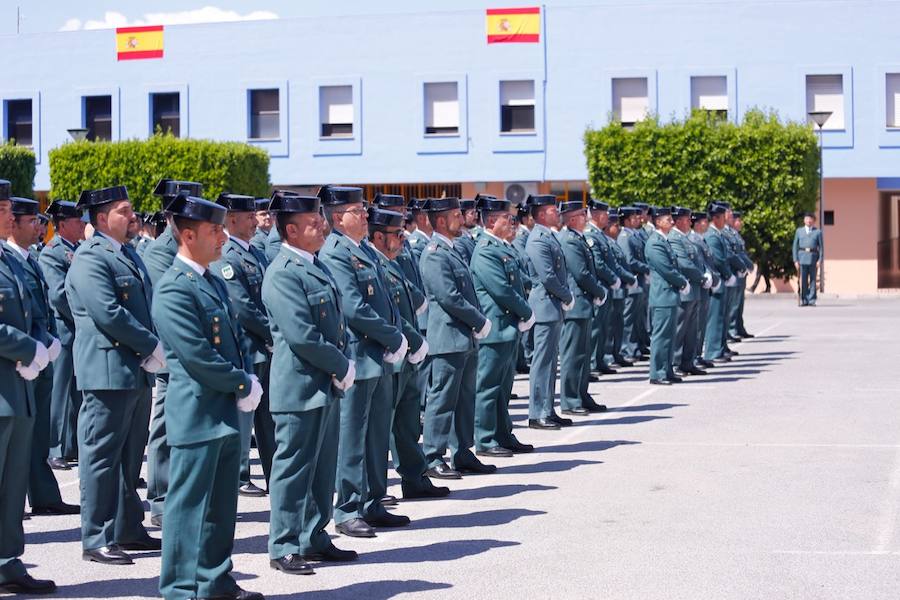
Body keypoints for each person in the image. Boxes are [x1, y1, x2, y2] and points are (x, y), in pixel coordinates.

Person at [151, 192, 264, 600]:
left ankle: (214, 579)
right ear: (187, 235)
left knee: (220, 508)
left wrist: (244, 378)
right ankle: (180, 589)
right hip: (198, 412)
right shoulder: (174, 289)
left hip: (223, 412)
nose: (222, 238)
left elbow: (232, 342)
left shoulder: (211, 280)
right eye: (214, 231)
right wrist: (241, 383)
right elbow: (198, 356)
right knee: (186, 509)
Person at [263, 191, 358, 573]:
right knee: (293, 470)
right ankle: (284, 544)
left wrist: (340, 363)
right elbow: (303, 336)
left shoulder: (314, 264)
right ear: (291, 230)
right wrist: (341, 364)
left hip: (323, 384)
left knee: (320, 468)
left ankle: (313, 536)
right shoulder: (283, 273)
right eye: (313, 222)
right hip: (299, 386)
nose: (322, 225)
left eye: (320, 219)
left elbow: (334, 322)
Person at [67, 185, 162, 564]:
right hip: (107, 371)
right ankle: (97, 536)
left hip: (132, 371)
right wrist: (152, 346)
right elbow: (109, 314)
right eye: (125, 211)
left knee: (127, 458)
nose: (133, 215)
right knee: (101, 457)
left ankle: (127, 528)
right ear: (103, 218)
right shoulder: (91, 257)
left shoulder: (128, 254)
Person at [317, 185, 410, 538]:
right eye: (358, 211)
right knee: (352, 436)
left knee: (375, 436)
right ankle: (347, 508)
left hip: (379, 357)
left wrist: (396, 335)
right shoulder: (336, 253)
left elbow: (386, 301)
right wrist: (393, 337)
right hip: (359, 355)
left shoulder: (363, 251)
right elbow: (354, 307)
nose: (366, 215)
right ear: (339, 217)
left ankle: (372, 501)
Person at [0, 181, 58, 595]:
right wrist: (29, 348)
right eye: (3, 207)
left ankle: (7, 561)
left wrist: (37, 343)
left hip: (16, 387)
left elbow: (31, 309)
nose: (9, 215)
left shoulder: (9, 259)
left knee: (12, 484)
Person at [367, 207, 447, 497]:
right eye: (397, 234)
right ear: (378, 236)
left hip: (407, 353)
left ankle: (414, 478)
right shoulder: (373, 263)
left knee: (408, 422)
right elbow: (389, 316)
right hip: (392, 353)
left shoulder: (392, 261)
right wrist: (411, 341)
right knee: (381, 428)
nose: (403, 239)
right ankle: (371, 490)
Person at [4, 197, 76, 516]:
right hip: (18, 359)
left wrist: (46, 340)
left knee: (36, 432)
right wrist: (33, 346)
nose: (38, 227)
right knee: (17, 437)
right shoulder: (15, 260)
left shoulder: (27, 259)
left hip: (40, 353)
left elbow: (36, 308)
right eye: (31, 221)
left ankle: (44, 495)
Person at [143, 179, 204, 528]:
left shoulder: (192, 244)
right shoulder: (161, 251)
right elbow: (166, 305)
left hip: (195, 347)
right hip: (174, 350)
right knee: (166, 426)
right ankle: (161, 499)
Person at [420, 197, 495, 476]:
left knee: (464, 398)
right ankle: (433, 457)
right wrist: (479, 320)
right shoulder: (434, 252)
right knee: (442, 398)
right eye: (455, 214)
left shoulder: (452, 249)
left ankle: (463, 451)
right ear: (440, 220)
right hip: (448, 337)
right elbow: (449, 297)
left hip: (463, 336)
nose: (461, 217)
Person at [212, 193, 276, 497]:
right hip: (248, 346)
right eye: (249, 217)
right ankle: (239, 474)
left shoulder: (256, 253)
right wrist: (271, 333)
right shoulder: (227, 255)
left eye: (255, 216)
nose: (255, 221)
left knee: (267, 415)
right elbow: (242, 307)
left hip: (264, 345)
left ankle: (274, 471)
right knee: (245, 414)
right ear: (231, 219)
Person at [469, 195, 535, 456]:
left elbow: (519, 281)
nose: (512, 222)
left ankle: (503, 433)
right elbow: (502, 290)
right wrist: (526, 311)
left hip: (508, 327)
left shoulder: (503, 247)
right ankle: (485, 439)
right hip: (495, 328)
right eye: (507, 218)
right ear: (493, 220)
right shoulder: (485, 249)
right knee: (488, 387)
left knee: (504, 387)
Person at [41, 200, 86, 470]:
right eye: (76, 220)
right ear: (62, 225)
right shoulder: (52, 253)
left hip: (79, 330)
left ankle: (71, 444)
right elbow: (58, 295)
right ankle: (54, 447)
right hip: (65, 330)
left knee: (76, 393)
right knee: (60, 391)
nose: (81, 224)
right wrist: (85, 314)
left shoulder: (79, 250)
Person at [524, 194, 574, 431]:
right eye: (553, 210)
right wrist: (567, 295)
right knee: (542, 362)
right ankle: (537, 413)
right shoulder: (537, 240)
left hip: (552, 306)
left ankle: (548, 409)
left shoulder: (547, 236)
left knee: (551, 361)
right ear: (542, 214)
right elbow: (547, 277)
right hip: (544, 306)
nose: (557, 212)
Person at [557, 201, 608, 414]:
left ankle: (581, 394)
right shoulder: (569, 240)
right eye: (581, 214)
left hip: (584, 303)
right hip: (576, 304)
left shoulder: (578, 238)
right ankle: (570, 400)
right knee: (572, 354)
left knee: (584, 354)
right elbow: (581, 273)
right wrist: (599, 291)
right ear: (571, 219)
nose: (586, 217)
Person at [643, 208, 689, 385]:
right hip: (662, 296)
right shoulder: (655, 242)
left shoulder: (664, 240)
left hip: (669, 295)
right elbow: (666, 269)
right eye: (668, 220)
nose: (672, 222)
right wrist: (682, 282)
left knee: (669, 336)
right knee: (661, 336)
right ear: (658, 222)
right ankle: (657, 373)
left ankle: (667, 369)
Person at [668, 206, 712, 377]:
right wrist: (701, 278)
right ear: (678, 221)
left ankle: (688, 361)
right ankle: (676, 362)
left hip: (694, 291)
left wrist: (705, 274)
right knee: (680, 330)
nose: (690, 222)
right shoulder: (674, 238)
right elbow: (684, 264)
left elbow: (697, 261)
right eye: (687, 219)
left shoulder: (686, 238)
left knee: (691, 330)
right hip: (685, 290)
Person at [583, 199, 623, 376]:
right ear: (598, 215)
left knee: (603, 326)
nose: (608, 218)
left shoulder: (599, 234)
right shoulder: (591, 235)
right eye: (606, 214)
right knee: (596, 328)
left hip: (606, 287)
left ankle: (599, 360)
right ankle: (592, 362)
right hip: (598, 287)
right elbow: (598, 264)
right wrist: (612, 278)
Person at [703, 203, 738, 364]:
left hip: (721, 279)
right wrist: (727, 274)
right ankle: (712, 351)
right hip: (716, 280)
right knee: (715, 318)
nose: (726, 219)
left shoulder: (718, 234)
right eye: (724, 216)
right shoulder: (711, 235)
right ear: (716, 218)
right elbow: (718, 260)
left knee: (721, 316)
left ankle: (721, 347)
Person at [617, 207, 650, 362]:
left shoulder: (634, 235)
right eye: (635, 218)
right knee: (628, 318)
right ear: (627, 220)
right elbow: (630, 261)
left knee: (636, 318)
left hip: (639, 281)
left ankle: (635, 347)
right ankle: (626, 349)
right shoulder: (625, 236)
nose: (639, 219)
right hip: (632, 281)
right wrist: (648, 268)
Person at [688, 213, 719, 370]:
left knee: (701, 324)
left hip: (705, 286)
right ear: (697, 224)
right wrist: (707, 277)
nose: (706, 224)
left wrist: (713, 278)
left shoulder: (700, 238)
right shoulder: (693, 239)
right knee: (696, 325)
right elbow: (700, 263)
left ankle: (697, 354)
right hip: (699, 286)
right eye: (704, 222)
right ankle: (693, 356)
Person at [730, 211, 754, 337]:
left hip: (741, 273)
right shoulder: (730, 235)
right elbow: (736, 255)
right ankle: (732, 329)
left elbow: (742, 254)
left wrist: (748, 264)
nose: (741, 223)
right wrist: (746, 265)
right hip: (735, 272)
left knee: (739, 303)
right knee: (734, 304)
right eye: (738, 220)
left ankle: (739, 327)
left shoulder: (737, 236)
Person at [792, 211, 822, 307]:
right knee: (803, 280)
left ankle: (812, 299)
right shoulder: (799, 231)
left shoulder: (817, 232)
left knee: (813, 280)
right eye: (807, 219)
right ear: (804, 220)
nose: (809, 221)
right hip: (802, 258)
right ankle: (804, 299)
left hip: (813, 258)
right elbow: (795, 246)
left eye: (810, 219)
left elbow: (821, 247)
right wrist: (795, 260)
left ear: (813, 221)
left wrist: (820, 260)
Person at [454, 199, 478, 264]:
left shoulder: (468, 235)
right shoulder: (458, 240)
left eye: (475, 213)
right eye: (472, 213)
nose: (476, 216)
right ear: (462, 216)